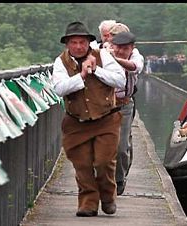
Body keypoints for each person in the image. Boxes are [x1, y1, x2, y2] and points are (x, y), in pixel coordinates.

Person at [52, 21, 126, 217]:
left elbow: (120, 81)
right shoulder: (60, 62)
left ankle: (108, 197)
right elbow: (59, 89)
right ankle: (88, 203)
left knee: (103, 162)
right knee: (82, 165)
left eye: (82, 42)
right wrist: (82, 75)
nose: (78, 46)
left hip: (106, 119)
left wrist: (96, 71)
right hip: (76, 122)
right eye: (74, 42)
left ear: (89, 42)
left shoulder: (103, 56)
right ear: (67, 44)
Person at [110, 31, 144, 195]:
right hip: (103, 105)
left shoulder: (136, 57)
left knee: (121, 147)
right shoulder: (103, 52)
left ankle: (119, 179)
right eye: (117, 48)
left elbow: (134, 68)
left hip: (124, 105)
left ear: (132, 48)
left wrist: (115, 60)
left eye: (124, 48)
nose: (120, 51)